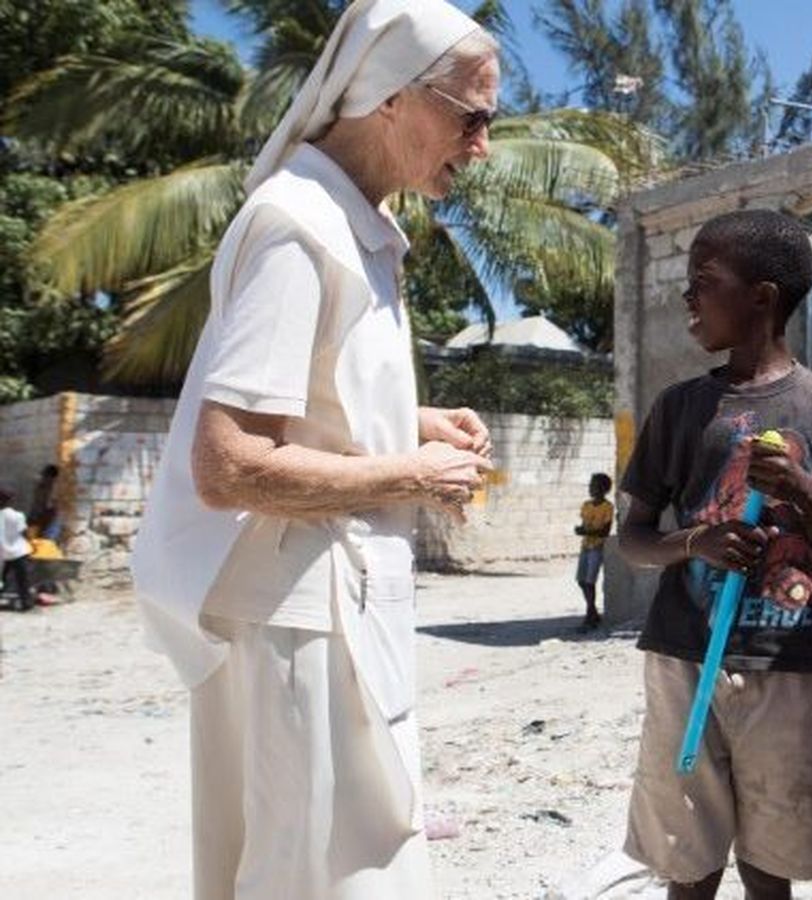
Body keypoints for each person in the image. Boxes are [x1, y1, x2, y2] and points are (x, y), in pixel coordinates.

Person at [130, 2, 498, 897]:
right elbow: (228, 465)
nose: (481, 145)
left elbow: (309, 399)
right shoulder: (298, 226)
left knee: (348, 859)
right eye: (471, 115)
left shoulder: (352, 226)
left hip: (338, 604)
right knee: (309, 870)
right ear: (390, 99)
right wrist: (411, 473)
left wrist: (413, 421)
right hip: (300, 614)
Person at [617, 209, 812, 900]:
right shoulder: (679, 408)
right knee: (687, 862)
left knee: (771, 866)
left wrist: (804, 492)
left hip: (783, 667)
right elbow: (634, 539)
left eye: (703, 282)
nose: (688, 298)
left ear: (761, 297)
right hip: (683, 661)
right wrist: (695, 543)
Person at [575, 472, 615, 628]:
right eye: (590, 485)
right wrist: (582, 530)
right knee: (581, 580)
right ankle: (592, 611)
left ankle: (590, 613)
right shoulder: (586, 505)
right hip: (586, 546)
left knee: (590, 581)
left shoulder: (607, 507)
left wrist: (586, 532)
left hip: (597, 547)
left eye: (594, 486)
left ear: (603, 489)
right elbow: (585, 525)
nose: (590, 488)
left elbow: (605, 531)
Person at [2, 486, 35, 611]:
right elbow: (25, 533)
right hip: (20, 552)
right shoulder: (17, 515)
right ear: (11, 501)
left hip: (4, 553)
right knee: (23, 580)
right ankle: (26, 603)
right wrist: (32, 544)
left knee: (2, 579)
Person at [28, 464, 61, 541]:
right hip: (36, 517)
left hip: (47, 521)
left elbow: (52, 510)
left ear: (53, 478)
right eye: (43, 476)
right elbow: (36, 503)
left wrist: (40, 522)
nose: (43, 478)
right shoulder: (41, 486)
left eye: (45, 476)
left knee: (45, 542)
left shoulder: (55, 491)